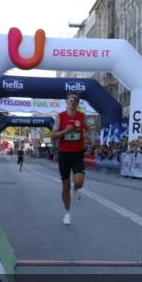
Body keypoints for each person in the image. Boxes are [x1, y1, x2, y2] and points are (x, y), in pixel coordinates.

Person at [52, 92, 88, 225]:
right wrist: (65, 131)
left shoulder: (82, 116)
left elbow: (86, 130)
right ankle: (67, 213)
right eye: (71, 100)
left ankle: (76, 188)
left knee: (79, 182)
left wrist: (87, 136)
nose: (73, 102)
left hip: (78, 153)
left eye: (76, 100)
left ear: (78, 103)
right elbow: (53, 135)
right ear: (66, 102)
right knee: (65, 185)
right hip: (64, 154)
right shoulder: (60, 117)